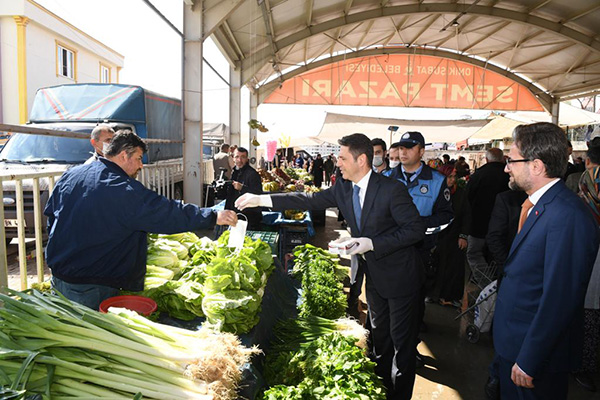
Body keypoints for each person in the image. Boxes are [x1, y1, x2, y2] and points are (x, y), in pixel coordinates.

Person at [236, 133, 425, 400]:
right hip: (376, 279)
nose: (338, 163)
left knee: (401, 348)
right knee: (380, 341)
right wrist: (261, 200)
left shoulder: (391, 189)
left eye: (342, 158)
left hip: (401, 278)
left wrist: (370, 243)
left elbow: (415, 230)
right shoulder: (344, 188)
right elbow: (307, 200)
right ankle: (384, 392)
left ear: (361, 160)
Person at [44, 130, 238, 310]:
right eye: (138, 158)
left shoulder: (72, 175)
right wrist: (212, 216)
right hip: (91, 286)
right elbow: (166, 212)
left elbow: (51, 217)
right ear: (123, 156)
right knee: (89, 339)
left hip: (60, 277)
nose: (141, 165)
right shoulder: (122, 189)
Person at [493, 122, 599, 399]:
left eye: (511, 160)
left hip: (534, 360)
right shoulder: (537, 206)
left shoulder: (567, 216)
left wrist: (530, 358)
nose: (507, 168)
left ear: (536, 166)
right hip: (513, 344)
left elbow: (560, 298)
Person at [388, 131, 453, 367]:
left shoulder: (436, 181)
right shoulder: (386, 177)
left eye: (409, 147)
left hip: (419, 252)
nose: (403, 152)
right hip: (389, 252)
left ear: (421, 151)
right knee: (387, 303)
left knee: (413, 306)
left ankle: (409, 348)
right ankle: (387, 349)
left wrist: (417, 230)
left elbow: (446, 218)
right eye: (400, 148)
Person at [484, 184, 528, 400]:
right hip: (510, 276)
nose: (507, 169)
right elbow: (494, 237)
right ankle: (497, 374)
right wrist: (509, 268)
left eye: (513, 162)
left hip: (535, 282)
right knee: (506, 328)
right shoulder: (507, 199)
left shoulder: (558, 204)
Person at [573, 141, 600, 393]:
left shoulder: (579, 181)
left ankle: (583, 366)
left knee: (586, 310)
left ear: (588, 159)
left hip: (584, 250)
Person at [465, 148, 509, 286]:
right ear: (502, 159)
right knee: (498, 255)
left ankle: (487, 285)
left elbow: (468, 198)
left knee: (474, 253)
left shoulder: (479, 174)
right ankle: (498, 283)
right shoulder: (509, 174)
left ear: (487, 159)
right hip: (505, 225)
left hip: (479, 223)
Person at [432, 164, 470, 308]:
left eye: (454, 177)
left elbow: (467, 215)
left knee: (453, 268)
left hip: (454, 237)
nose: (452, 180)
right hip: (437, 237)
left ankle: (450, 296)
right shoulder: (434, 192)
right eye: (449, 177)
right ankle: (434, 294)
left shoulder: (460, 194)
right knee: (436, 266)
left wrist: (463, 235)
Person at [224, 147, 263, 232]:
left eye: (243, 157)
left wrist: (242, 188)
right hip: (236, 215)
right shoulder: (234, 171)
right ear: (233, 158)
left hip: (250, 217)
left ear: (247, 159)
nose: (239, 160)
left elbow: (258, 194)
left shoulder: (252, 174)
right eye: (237, 157)